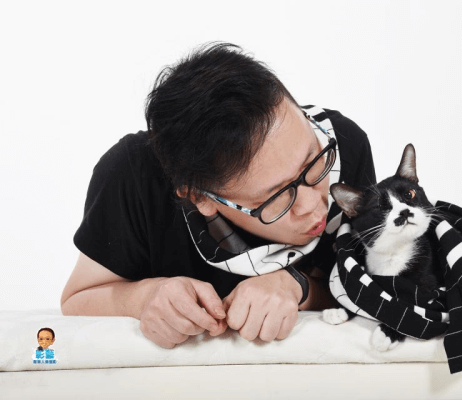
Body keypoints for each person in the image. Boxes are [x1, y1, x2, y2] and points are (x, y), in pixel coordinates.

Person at [61, 42, 376, 349]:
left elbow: (373, 286)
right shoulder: (132, 174)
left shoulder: (343, 142)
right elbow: (77, 299)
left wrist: (297, 286)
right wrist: (144, 297)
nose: (313, 206)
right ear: (201, 198)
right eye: (278, 196)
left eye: (313, 160)